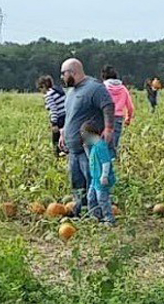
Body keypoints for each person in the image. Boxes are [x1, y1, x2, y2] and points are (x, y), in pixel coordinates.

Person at [59, 58, 115, 217]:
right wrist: (63, 132)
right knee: (77, 181)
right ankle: (81, 211)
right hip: (73, 148)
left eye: (64, 74)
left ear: (73, 72)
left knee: (91, 179)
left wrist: (109, 128)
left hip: (87, 147)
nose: (62, 77)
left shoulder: (94, 88)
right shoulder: (71, 92)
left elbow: (108, 105)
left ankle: (95, 214)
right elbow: (70, 115)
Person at [81, 122, 116, 225]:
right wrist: (86, 148)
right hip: (94, 178)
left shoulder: (101, 146)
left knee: (102, 199)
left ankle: (109, 218)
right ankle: (95, 216)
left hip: (101, 178)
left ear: (90, 134)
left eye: (84, 135)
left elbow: (106, 161)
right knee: (91, 197)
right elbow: (90, 159)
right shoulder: (94, 146)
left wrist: (104, 175)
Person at [100, 66, 134, 156]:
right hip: (118, 118)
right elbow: (130, 107)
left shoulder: (103, 88)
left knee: (102, 143)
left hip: (104, 117)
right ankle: (113, 164)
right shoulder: (123, 89)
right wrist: (128, 118)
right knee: (114, 145)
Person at [36, 75, 66, 157]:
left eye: (40, 89)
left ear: (43, 86)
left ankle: (58, 157)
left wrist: (54, 124)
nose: (41, 92)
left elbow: (54, 110)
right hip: (67, 116)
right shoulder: (58, 90)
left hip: (60, 119)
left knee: (56, 141)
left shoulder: (48, 96)